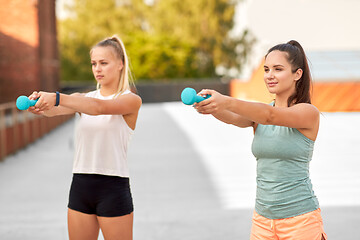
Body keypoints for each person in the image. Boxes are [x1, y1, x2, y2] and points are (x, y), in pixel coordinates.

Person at [194, 40, 327, 240]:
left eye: (278, 69)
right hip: (262, 221)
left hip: (300, 221)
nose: (269, 75)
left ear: (297, 74)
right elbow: (232, 118)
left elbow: (270, 116)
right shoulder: (261, 114)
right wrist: (210, 106)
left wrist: (227, 100)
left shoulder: (307, 113)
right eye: (266, 69)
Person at [27, 35, 142, 240]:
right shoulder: (83, 99)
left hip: (113, 188)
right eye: (94, 63)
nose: (97, 69)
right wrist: (39, 106)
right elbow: (52, 111)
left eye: (104, 63)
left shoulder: (130, 101)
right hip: (80, 186)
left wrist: (56, 96)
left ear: (120, 65)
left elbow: (98, 108)